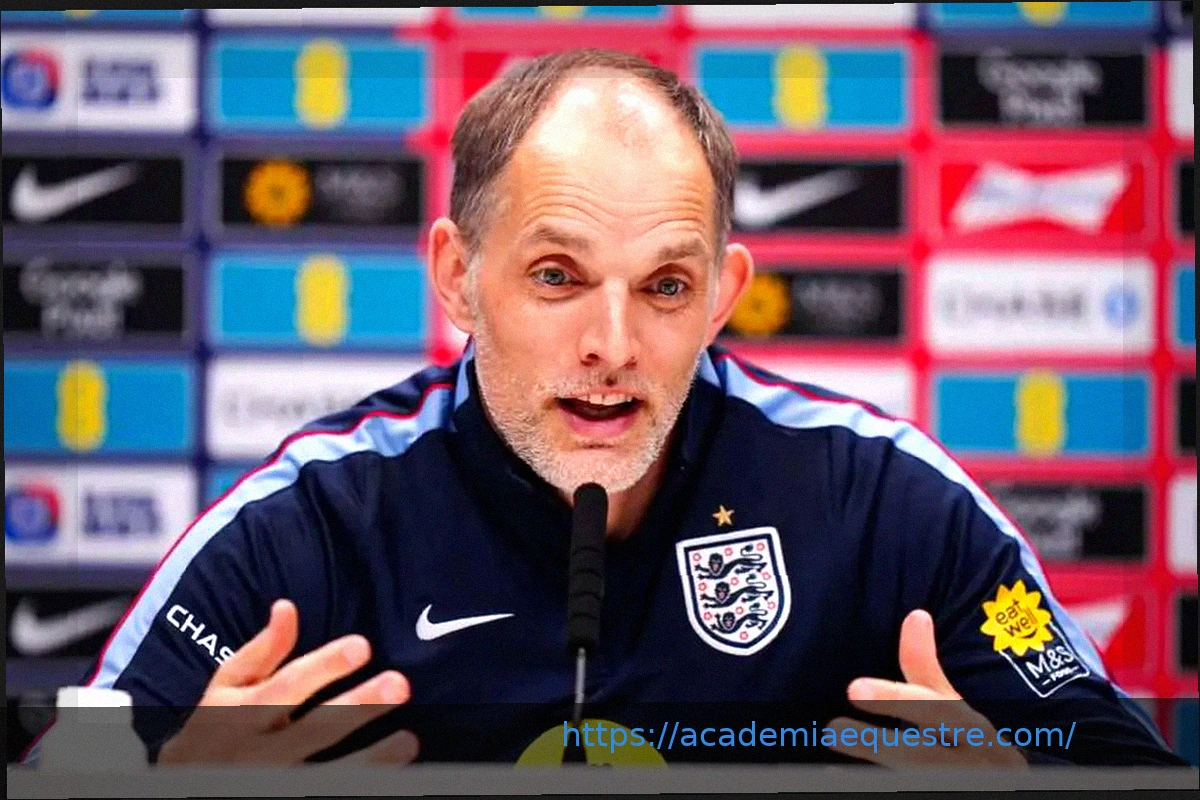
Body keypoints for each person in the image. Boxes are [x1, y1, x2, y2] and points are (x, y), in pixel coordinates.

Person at [41, 49, 1182, 767]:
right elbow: (63, 773)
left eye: (667, 287)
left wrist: (1023, 783)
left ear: (724, 295)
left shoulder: (881, 500)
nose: (614, 347)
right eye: (557, 276)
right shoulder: (305, 528)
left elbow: (1123, 765)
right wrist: (168, 787)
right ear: (456, 277)